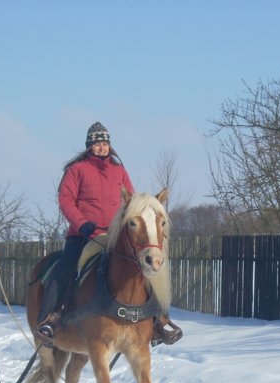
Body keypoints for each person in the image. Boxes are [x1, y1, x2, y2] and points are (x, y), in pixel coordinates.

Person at [36, 121, 181, 346]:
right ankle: (49, 320)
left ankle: (158, 321)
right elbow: (65, 200)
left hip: (114, 235)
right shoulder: (76, 170)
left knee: (144, 268)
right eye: (97, 143)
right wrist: (82, 224)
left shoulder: (119, 171)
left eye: (105, 143)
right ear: (88, 146)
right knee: (65, 268)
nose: (102, 147)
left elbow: (131, 204)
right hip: (83, 234)